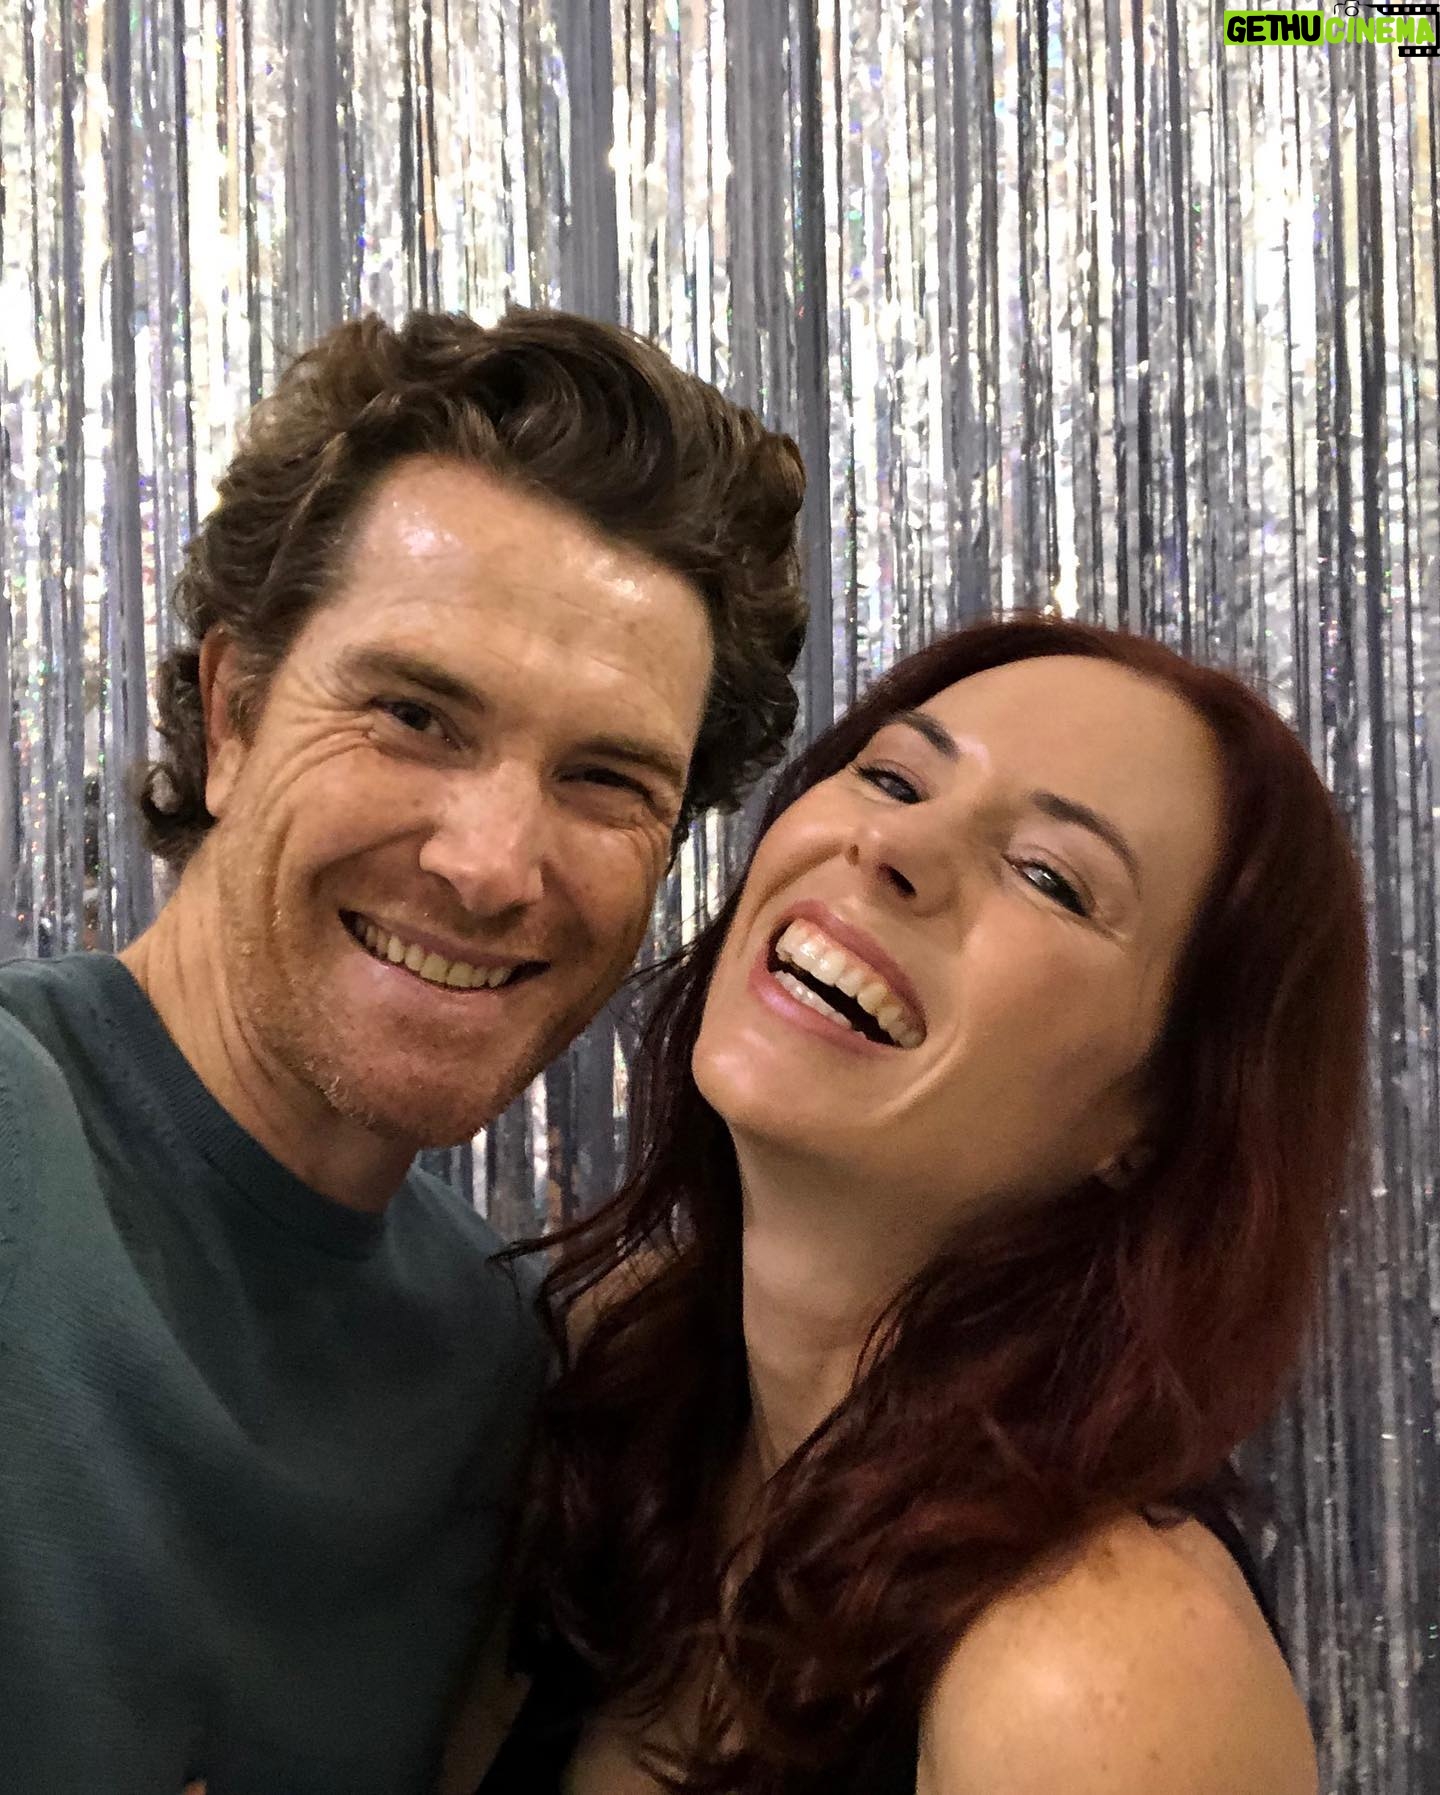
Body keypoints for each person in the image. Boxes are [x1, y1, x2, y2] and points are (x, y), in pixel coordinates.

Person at [0, 307, 806, 1795]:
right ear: (232, 715)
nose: (492, 865)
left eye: (605, 777)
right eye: (417, 714)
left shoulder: (501, 1375)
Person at [471, 614, 1368, 1795]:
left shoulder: (1098, 1669)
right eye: (893, 777)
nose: (893, 846)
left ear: (1158, 1115)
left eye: (1050, 877)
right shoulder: (612, 1395)